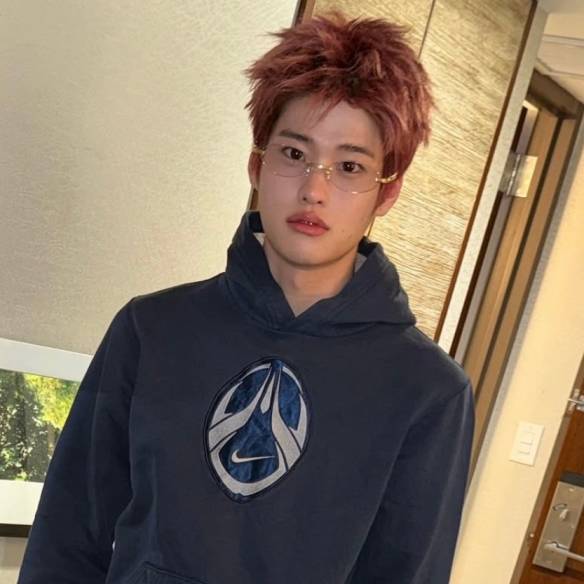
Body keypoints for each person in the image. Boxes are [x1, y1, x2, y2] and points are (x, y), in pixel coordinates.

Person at [18, 11, 475, 584]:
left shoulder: (428, 392)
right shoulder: (152, 329)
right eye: (294, 154)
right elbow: (66, 536)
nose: (314, 188)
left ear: (386, 193)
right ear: (257, 163)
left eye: (350, 166)